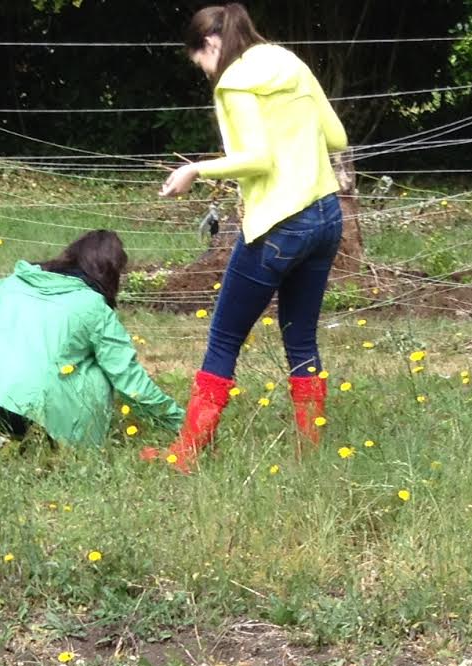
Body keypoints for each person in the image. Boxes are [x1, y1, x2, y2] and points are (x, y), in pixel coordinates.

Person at [152, 4, 348, 466]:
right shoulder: (289, 61)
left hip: (280, 224)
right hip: (326, 216)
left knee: (223, 340)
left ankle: (188, 454)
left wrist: (195, 169)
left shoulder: (235, 80)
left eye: (198, 60)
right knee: (301, 341)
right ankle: (310, 452)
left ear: (212, 44)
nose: (203, 71)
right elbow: (336, 137)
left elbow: (258, 159)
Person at [0, 230, 184, 450]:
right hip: (29, 411)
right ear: (111, 273)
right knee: (98, 368)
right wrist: (180, 422)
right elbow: (127, 376)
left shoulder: (11, 284)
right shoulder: (93, 306)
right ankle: (71, 440)